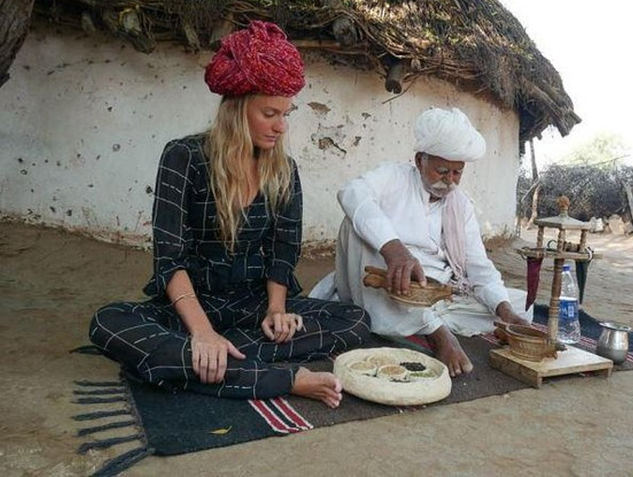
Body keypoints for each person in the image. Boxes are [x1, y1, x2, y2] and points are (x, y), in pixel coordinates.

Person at [89, 20, 370, 408]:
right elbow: (169, 259)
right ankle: (279, 376)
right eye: (270, 113)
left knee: (355, 320)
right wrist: (201, 332)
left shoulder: (284, 171)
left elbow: (283, 252)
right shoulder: (183, 157)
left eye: (286, 113)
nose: (281, 126)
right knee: (108, 323)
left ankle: (202, 362)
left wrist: (276, 310)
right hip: (192, 304)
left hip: (253, 307)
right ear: (237, 111)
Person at [311, 107, 530, 377]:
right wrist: (393, 249)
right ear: (419, 160)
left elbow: (476, 264)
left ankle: (417, 320)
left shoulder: (461, 205)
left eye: (457, 173)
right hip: (387, 279)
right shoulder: (394, 177)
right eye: (441, 170)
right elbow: (352, 192)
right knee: (355, 227)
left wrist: (504, 311)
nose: (450, 181)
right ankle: (436, 333)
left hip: (436, 292)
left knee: (517, 305)